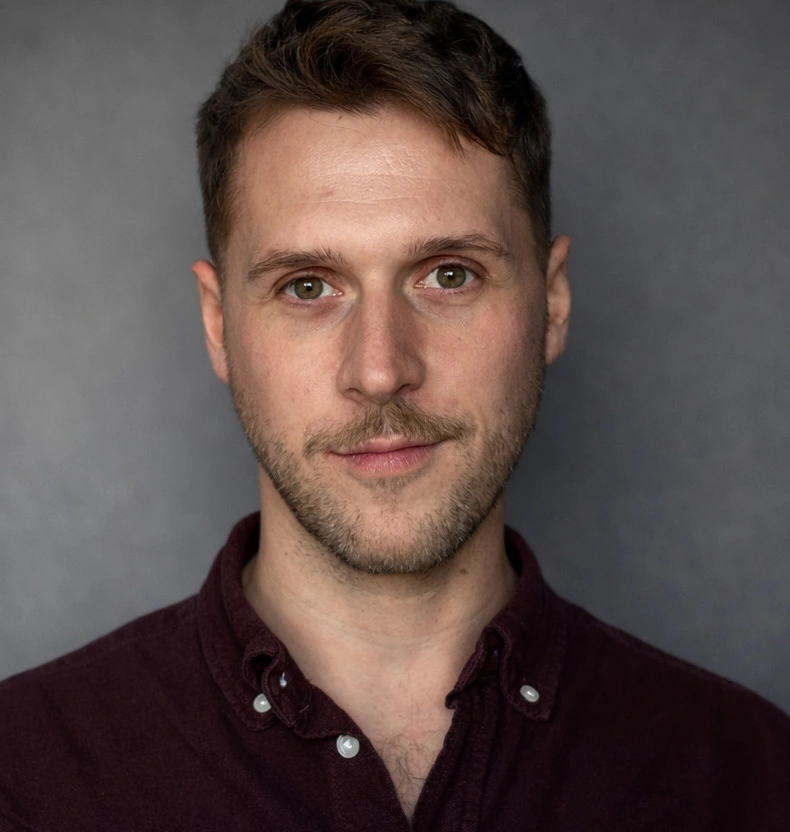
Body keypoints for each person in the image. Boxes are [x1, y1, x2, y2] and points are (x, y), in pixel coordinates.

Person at [1, 0, 788, 829]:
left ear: (552, 304)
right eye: (307, 286)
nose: (380, 371)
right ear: (218, 325)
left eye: (449, 275)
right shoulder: (23, 780)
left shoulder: (750, 780)